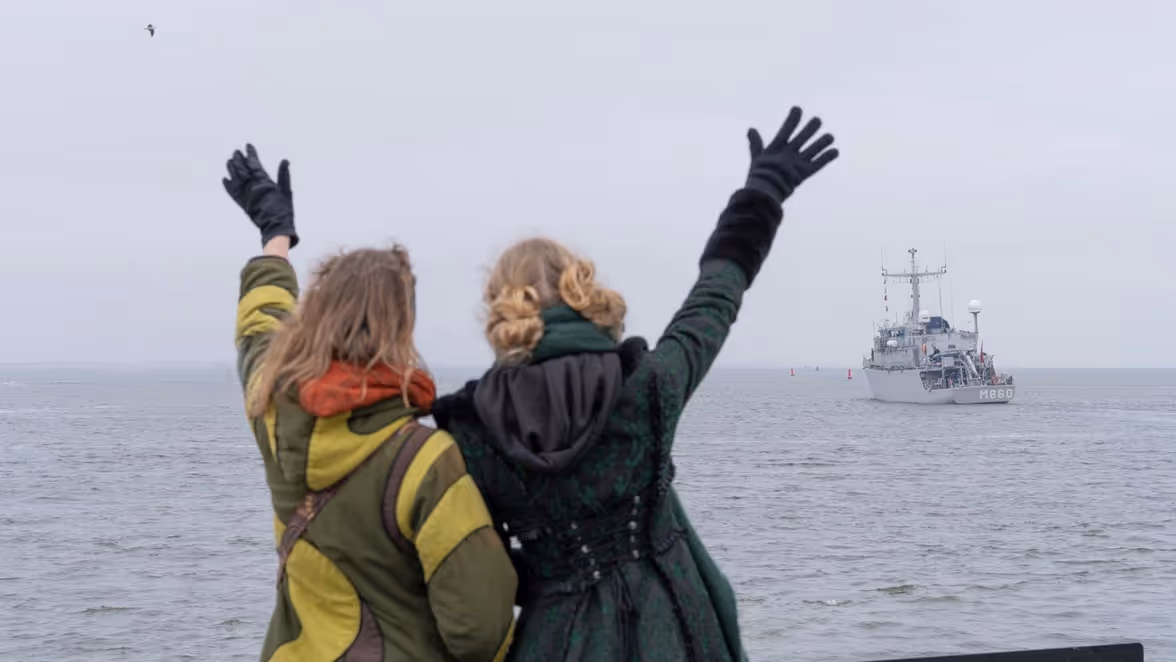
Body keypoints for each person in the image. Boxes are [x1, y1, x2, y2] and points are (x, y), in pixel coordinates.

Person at [432, 106, 840, 661]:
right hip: (677, 629)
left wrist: (549, 565)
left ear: (501, 307)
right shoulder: (646, 386)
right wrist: (763, 192)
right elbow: (714, 300)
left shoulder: (471, 429)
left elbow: (481, 567)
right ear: (582, 290)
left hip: (555, 641)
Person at [224, 144, 518, 662]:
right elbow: (479, 631)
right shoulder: (426, 460)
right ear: (400, 327)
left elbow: (259, 327)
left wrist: (276, 236)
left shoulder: (272, 410)